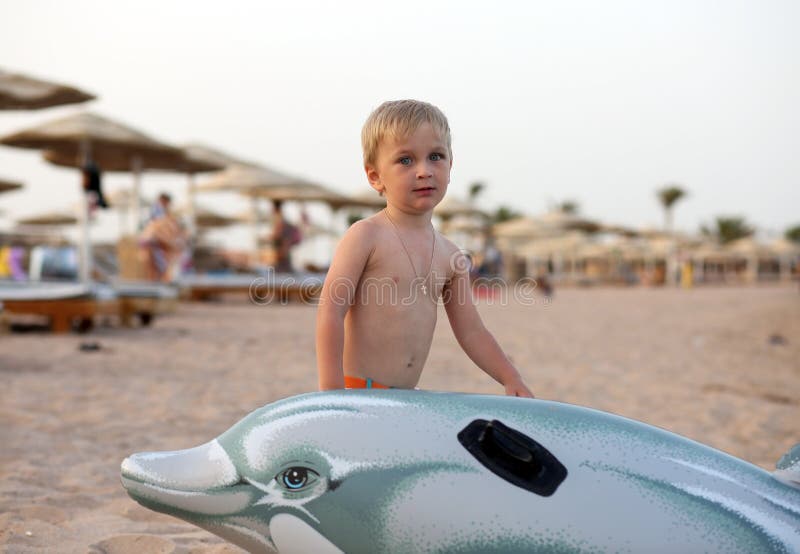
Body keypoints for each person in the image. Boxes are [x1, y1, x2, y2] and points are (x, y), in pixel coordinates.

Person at [316, 100, 533, 397]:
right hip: (359, 392)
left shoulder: (451, 255)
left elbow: (472, 332)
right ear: (375, 176)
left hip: (408, 396)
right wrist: (331, 390)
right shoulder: (366, 236)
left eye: (435, 156)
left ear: (451, 164)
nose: (424, 171)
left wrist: (511, 378)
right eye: (405, 160)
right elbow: (330, 311)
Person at [139, 193, 185, 282]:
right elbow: (159, 227)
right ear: (165, 201)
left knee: (154, 268)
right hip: (153, 241)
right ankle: (156, 282)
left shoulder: (157, 211)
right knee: (156, 267)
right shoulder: (158, 212)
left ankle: (155, 282)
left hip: (151, 240)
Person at [270, 200, 302, 273]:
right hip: (282, 252)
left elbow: (281, 236)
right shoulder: (281, 219)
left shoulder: (280, 220)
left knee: (283, 270)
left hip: (283, 252)